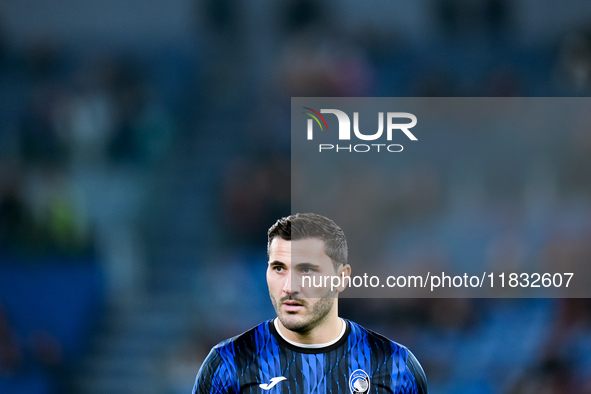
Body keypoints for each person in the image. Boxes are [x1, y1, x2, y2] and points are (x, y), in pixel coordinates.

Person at [193, 213, 427, 393]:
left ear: (341, 278)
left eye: (306, 270)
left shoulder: (395, 365)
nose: (289, 287)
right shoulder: (229, 363)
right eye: (278, 268)